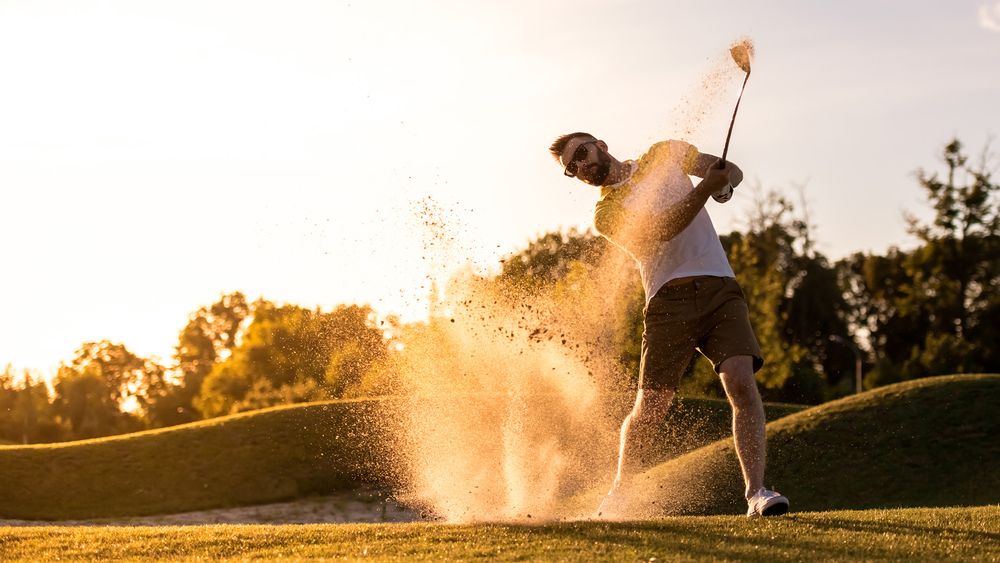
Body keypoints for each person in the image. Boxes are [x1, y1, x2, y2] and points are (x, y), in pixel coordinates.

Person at [548, 132, 789, 517]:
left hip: (720, 288)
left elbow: (730, 171)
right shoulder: (606, 213)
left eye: (581, 153)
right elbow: (660, 231)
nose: (580, 166)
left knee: (741, 382)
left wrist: (723, 184)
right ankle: (620, 493)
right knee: (651, 408)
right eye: (571, 168)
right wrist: (707, 189)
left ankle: (756, 493)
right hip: (667, 303)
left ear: (600, 145)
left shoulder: (665, 153)